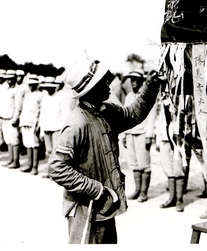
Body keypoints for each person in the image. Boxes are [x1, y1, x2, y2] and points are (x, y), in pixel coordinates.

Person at [47, 57, 161, 244]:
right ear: (91, 89)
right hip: (85, 209)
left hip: (104, 206)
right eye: (102, 81)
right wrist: (96, 189)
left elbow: (133, 114)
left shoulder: (106, 111)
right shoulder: (77, 123)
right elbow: (56, 168)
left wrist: (150, 86)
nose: (109, 83)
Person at [121, 69, 157, 203]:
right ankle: (137, 189)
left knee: (144, 164)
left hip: (142, 133)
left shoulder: (147, 95)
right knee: (133, 163)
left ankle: (143, 192)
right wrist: (124, 134)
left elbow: (152, 116)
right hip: (131, 133)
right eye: (132, 80)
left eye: (136, 80)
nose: (134, 83)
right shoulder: (129, 96)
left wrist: (149, 135)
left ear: (142, 81)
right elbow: (125, 115)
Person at [19, 74, 44, 175]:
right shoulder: (27, 95)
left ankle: (35, 167)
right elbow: (23, 110)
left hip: (34, 122)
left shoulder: (40, 95)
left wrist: (39, 124)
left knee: (34, 145)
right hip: (25, 122)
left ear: (37, 84)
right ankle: (29, 165)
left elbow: (41, 111)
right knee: (28, 144)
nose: (31, 86)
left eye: (33, 84)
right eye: (30, 84)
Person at [39, 76, 63, 177]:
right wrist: (41, 130)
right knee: (48, 151)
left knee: (56, 152)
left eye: (50, 87)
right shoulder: (45, 98)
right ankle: (49, 172)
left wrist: (63, 130)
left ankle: (57, 174)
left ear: (54, 87)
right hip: (46, 128)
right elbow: (42, 115)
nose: (48, 89)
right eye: (47, 87)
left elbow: (64, 115)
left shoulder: (60, 97)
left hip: (57, 128)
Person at [0, 69, 23, 168]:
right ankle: (10, 159)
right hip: (5, 118)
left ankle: (16, 162)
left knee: (14, 140)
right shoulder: (6, 90)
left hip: (12, 118)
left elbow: (18, 106)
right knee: (8, 140)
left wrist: (15, 118)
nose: (8, 80)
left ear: (14, 79)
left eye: (10, 79)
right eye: (7, 79)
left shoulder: (17, 90)